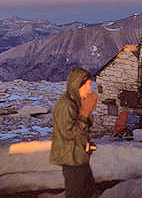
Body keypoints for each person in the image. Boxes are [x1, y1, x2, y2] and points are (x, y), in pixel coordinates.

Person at [49, 67, 98, 198]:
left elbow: (84, 128)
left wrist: (87, 112)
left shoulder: (76, 102)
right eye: (87, 85)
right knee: (76, 193)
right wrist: (84, 113)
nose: (89, 89)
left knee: (89, 191)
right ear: (77, 85)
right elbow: (69, 133)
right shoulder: (66, 105)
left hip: (79, 155)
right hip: (72, 159)